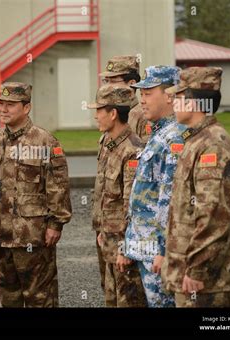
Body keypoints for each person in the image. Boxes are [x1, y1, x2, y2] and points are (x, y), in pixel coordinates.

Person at [0, 82, 72, 307]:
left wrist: (55, 224)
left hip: (33, 236)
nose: (3, 109)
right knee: (8, 299)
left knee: (41, 299)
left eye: (10, 104)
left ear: (26, 108)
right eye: (0, 104)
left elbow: (58, 186)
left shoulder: (45, 142)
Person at [161, 67, 230, 307]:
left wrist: (198, 268)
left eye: (178, 97)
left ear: (194, 101)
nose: (173, 102)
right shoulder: (196, 140)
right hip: (191, 275)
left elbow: (214, 214)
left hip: (205, 280)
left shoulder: (213, 145)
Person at [124, 65, 185, 308]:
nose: (142, 100)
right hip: (144, 248)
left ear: (169, 95)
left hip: (158, 252)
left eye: (149, 93)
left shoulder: (175, 137)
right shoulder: (159, 134)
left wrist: (163, 249)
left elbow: (170, 201)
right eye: (142, 93)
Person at [89, 83, 147, 307]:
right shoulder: (108, 144)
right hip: (110, 242)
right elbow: (106, 196)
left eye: (99, 110)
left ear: (113, 114)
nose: (95, 116)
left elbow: (133, 207)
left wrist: (126, 248)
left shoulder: (132, 150)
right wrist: (103, 230)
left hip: (125, 250)